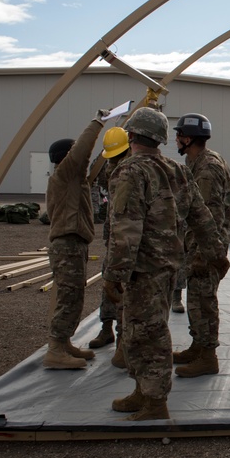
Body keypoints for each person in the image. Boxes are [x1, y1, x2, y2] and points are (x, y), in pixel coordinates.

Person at [103, 107, 229, 421]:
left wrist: (114, 274)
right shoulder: (176, 169)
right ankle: (142, 390)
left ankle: (155, 400)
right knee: (140, 329)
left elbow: (126, 226)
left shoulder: (129, 171)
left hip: (143, 268)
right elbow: (201, 216)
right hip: (169, 264)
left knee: (149, 331)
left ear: (131, 136)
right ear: (159, 138)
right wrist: (216, 253)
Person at [171, 113, 230, 378]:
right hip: (203, 244)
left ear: (188, 139)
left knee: (203, 300)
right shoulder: (201, 161)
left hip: (206, 247)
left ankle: (208, 357)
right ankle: (198, 346)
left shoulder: (206, 168)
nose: (176, 139)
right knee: (197, 300)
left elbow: (209, 214)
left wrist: (203, 254)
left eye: (179, 135)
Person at [42, 112, 107, 370]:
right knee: (69, 297)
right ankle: (55, 349)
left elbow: (95, 161)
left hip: (73, 243)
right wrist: (98, 123)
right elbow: (81, 151)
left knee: (75, 295)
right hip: (67, 244)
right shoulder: (67, 174)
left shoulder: (72, 179)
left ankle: (63, 342)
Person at [88, 126, 130, 352]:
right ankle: (106, 328)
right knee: (109, 283)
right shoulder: (109, 165)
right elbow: (96, 174)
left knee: (126, 287)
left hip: (130, 237)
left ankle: (124, 336)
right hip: (113, 234)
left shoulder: (135, 164)